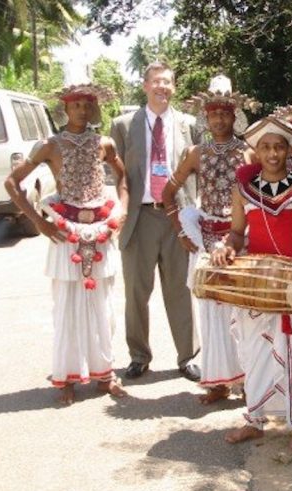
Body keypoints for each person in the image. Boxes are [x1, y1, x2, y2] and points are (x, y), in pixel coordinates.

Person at [5, 83, 128, 405]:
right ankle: (67, 378)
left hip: (100, 229)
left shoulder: (105, 143)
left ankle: (104, 373)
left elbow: (123, 178)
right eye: (76, 106)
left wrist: (123, 211)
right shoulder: (49, 146)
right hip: (64, 233)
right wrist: (38, 222)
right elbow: (12, 182)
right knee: (67, 308)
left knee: (103, 306)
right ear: (65, 108)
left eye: (88, 105)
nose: (83, 111)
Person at [210, 117, 292, 450]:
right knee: (255, 349)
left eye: (279, 146)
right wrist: (226, 247)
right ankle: (255, 418)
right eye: (265, 147)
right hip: (256, 284)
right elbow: (235, 231)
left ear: (288, 149)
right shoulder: (241, 190)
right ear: (255, 151)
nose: (273, 153)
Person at [161, 74, 259, 404]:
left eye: (225, 113)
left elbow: (261, 196)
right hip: (204, 240)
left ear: (235, 116)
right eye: (213, 113)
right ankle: (217, 381)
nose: (219, 119)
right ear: (206, 116)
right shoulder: (195, 153)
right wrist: (179, 231)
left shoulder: (249, 153)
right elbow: (168, 193)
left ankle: (249, 380)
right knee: (211, 313)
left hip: (239, 241)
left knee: (242, 312)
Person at [110, 61, 200, 381]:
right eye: (156, 81)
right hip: (140, 217)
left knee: (180, 290)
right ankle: (138, 355)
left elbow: (201, 171)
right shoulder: (122, 125)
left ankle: (188, 356)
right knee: (136, 292)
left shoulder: (189, 124)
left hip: (178, 218)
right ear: (145, 85)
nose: (162, 87)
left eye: (168, 82)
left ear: (174, 87)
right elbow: (117, 174)